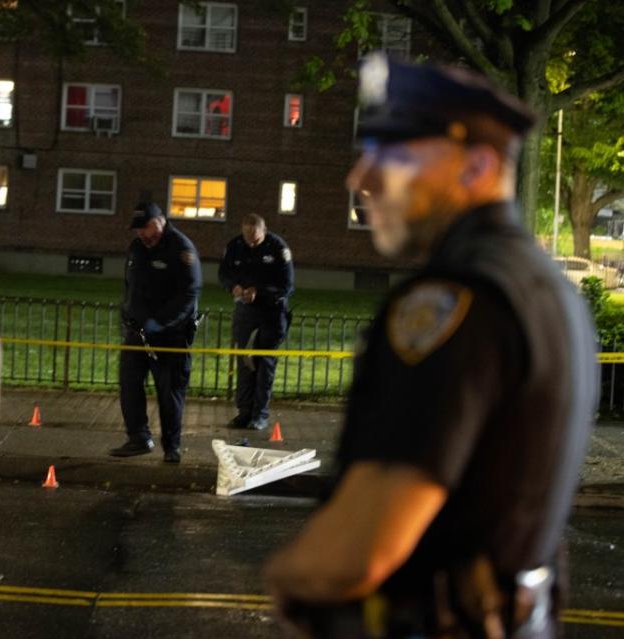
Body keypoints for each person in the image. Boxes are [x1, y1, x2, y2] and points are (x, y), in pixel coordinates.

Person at [264, 53, 598, 638]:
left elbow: (364, 549)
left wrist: (289, 577)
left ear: (475, 168)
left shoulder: (454, 300)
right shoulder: (545, 286)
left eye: (393, 156)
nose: (360, 178)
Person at [110, 202, 202, 464]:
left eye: (146, 227)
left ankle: (172, 446)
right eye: (138, 229)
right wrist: (127, 312)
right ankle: (138, 438)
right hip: (137, 333)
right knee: (129, 385)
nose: (142, 233)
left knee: (169, 392)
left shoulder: (181, 248)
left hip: (170, 335)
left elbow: (189, 294)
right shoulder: (137, 248)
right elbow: (131, 285)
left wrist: (161, 323)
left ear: (160, 221)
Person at [218, 214, 293, 430]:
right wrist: (234, 287)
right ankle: (244, 412)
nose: (251, 242)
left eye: (255, 237)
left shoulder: (278, 248)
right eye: (247, 236)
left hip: (271, 312)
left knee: (264, 364)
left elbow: (286, 285)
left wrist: (259, 293)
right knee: (245, 362)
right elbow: (224, 273)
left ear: (264, 231)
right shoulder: (235, 246)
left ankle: (260, 415)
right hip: (245, 312)